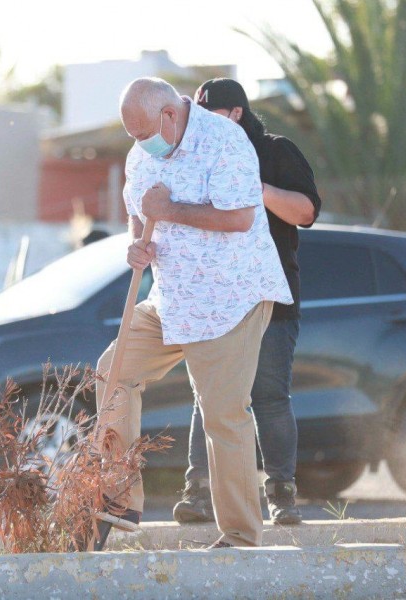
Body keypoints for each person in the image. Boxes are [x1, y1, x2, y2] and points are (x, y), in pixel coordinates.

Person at [91, 77, 293, 550]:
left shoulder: (225, 141)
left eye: (144, 133)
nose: (140, 145)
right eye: (132, 137)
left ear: (168, 115)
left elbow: (240, 217)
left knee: (224, 415)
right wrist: (137, 244)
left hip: (230, 300)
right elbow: (139, 213)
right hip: (171, 300)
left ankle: (241, 537)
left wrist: (171, 210)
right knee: (113, 371)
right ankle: (120, 500)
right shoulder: (141, 152)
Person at [173, 78, 321, 526]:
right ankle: (198, 493)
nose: (199, 126)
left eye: (210, 115)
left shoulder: (277, 151)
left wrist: (255, 188)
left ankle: (282, 496)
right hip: (217, 300)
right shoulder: (199, 155)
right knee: (210, 398)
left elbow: (307, 213)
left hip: (269, 296)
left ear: (236, 113)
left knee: (269, 396)